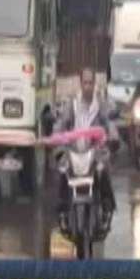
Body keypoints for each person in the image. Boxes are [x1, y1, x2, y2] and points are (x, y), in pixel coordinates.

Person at [53, 67, 119, 233]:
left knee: (103, 172)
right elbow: (61, 123)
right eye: (85, 83)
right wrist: (57, 140)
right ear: (80, 84)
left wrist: (113, 137)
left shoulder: (101, 104)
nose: (88, 86)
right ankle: (62, 212)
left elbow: (109, 123)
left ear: (94, 84)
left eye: (91, 83)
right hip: (74, 151)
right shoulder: (72, 104)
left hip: (94, 151)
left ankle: (107, 210)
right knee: (62, 171)